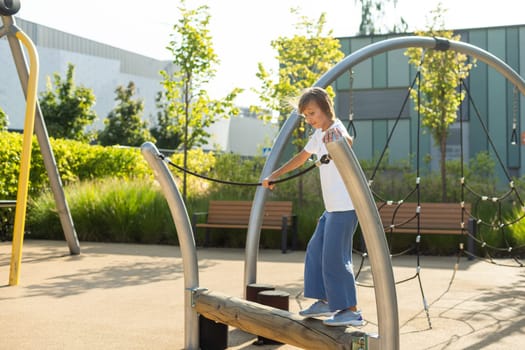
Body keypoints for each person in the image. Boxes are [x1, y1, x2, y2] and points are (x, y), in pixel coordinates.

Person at [262, 86, 363, 327]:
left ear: (326, 109)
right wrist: (275, 174)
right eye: (306, 116)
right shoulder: (318, 134)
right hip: (332, 209)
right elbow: (301, 157)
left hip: (346, 207)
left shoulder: (335, 129)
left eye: (312, 113)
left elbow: (348, 141)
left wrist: (337, 138)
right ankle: (326, 300)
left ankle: (351, 310)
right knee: (315, 249)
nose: (309, 119)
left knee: (334, 258)